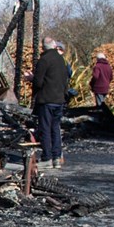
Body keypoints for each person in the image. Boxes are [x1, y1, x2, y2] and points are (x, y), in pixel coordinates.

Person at [31, 37, 71, 168]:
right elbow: (66, 80)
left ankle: (47, 158)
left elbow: (38, 82)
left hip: (47, 99)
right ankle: (57, 158)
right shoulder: (62, 60)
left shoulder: (44, 60)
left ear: (43, 47)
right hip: (59, 99)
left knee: (45, 129)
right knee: (56, 128)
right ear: (54, 46)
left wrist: (32, 79)